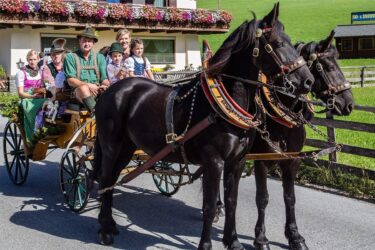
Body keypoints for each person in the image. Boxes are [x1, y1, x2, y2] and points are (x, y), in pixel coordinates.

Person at [63, 26, 109, 113]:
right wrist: (88, 85)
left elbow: (104, 78)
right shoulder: (70, 57)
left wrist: (105, 85)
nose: (86, 43)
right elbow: (70, 80)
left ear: (93, 43)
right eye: (84, 40)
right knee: (83, 88)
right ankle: (95, 112)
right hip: (78, 94)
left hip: (97, 90)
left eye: (89, 41)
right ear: (79, 41)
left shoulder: (100, 57)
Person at [15, 50, 48, 143]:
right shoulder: (21, 73)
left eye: (34, 59)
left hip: (39, 98)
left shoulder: (41, 72)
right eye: (30, 59)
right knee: (39, 104)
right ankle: (35, 133)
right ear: (27, 60)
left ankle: (46, 128)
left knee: (50, 102)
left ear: (38, 59)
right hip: (27, 100)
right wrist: (32, 96)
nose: (32, 62)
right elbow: (20, 93)